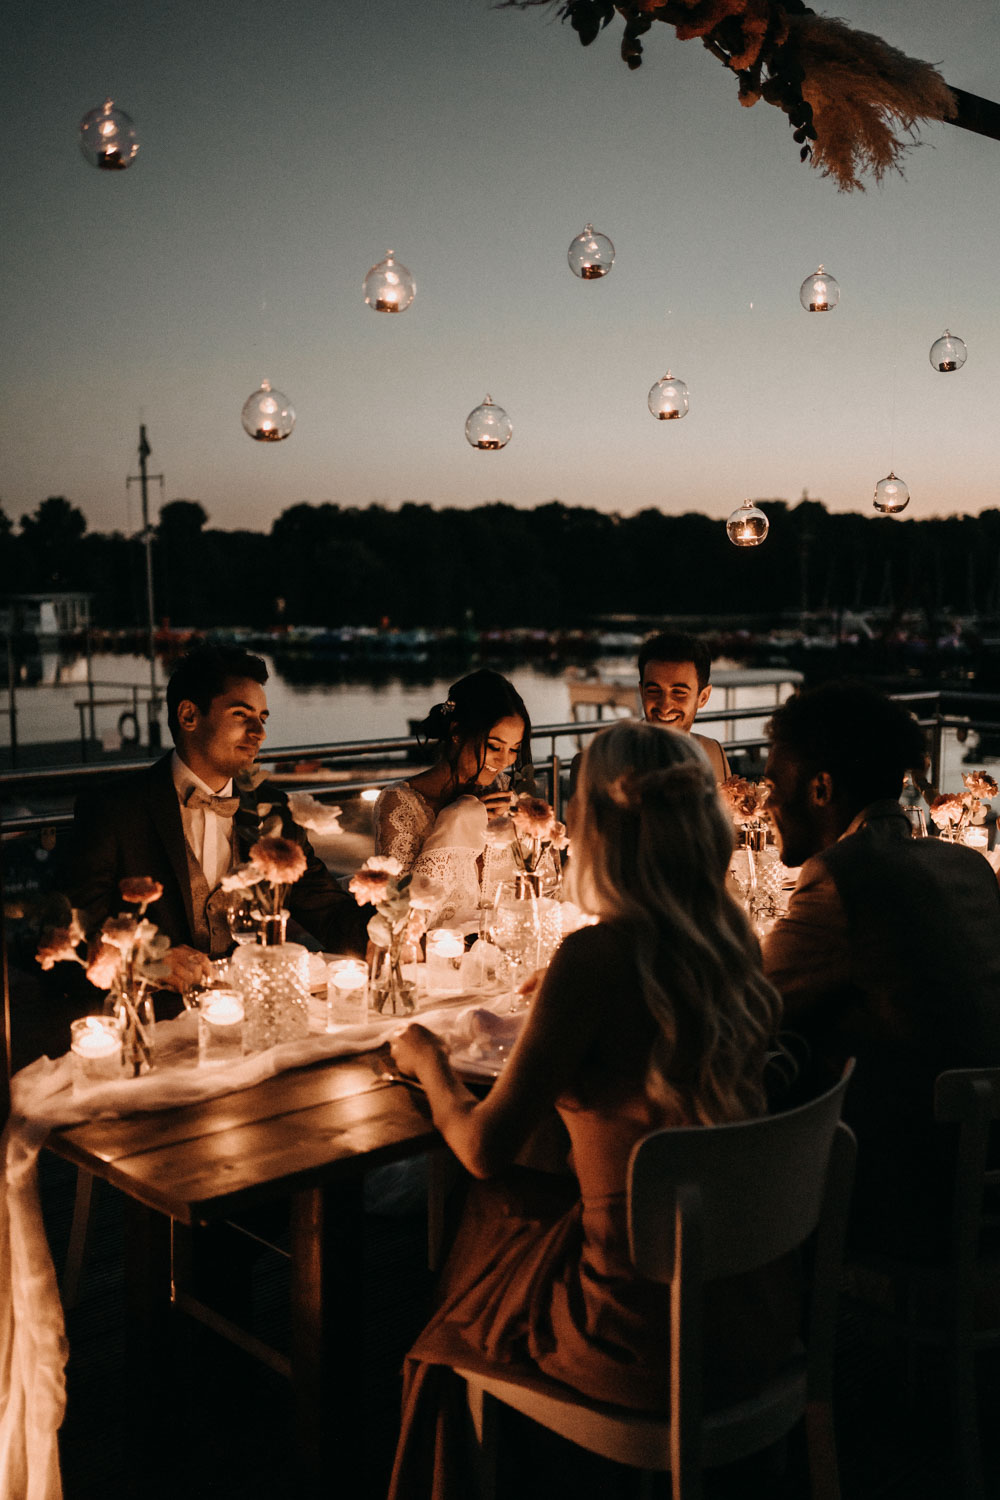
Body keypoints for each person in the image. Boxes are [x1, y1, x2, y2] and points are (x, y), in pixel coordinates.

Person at [385, 721, 797, 1499]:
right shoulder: (734, 943)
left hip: (639, 1331)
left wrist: (428, 1062)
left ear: (602, 831)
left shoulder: (595, 959)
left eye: (573, 805)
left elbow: (480, 1147)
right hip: (753, 1311)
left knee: (483, 1228)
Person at [760, 679, 1000, 1258]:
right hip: (988, 1172)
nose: (767, 804)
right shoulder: (968, 865)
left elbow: (745, 1008)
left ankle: (763, 1324)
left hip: (908, 1196)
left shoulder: (843, 879)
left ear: (820, 788)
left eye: (773, 785)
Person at [60, 642, 365, 1001]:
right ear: (189, 716)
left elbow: (326, 909)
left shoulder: (274, 810)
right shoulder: (114, 809)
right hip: (156, 1021)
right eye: (241, 715)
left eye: (262, 718)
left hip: (254, 1011)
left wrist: (386, 932)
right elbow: (73, 934)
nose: (259, 733)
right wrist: (147, 960)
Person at [373, 669, 532, 925]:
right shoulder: (400, 803)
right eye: (494, 746)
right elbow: (401, 916)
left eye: (514, 749)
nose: (505, 761)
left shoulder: (504, 792)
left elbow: (536, 889)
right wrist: (458, 823)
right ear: (457, 731)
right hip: (432, 957)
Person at [638, 631, 731, 782]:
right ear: (641, 692)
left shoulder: (714, 752)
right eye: (654, 691)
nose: (665, 705)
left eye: (679, 693)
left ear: (703, 697)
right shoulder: (613, 758)